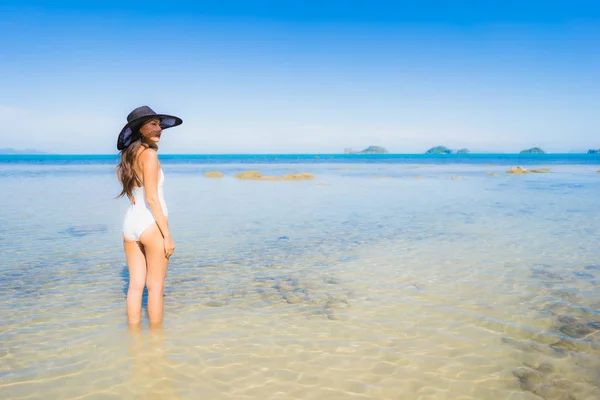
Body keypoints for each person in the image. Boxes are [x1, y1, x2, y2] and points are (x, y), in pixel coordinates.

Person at [116, 105, 183, 327]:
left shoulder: (129, 155)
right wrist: (168, 235)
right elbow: (152, 199)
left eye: (159, 124)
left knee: (135, 286)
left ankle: (135, 342)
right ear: (140, 129)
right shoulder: (150, 156)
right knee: (155, 288)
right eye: (153, 124)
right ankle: (156, 343)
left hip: (130, 224)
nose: (159, 128)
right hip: (151, 224)